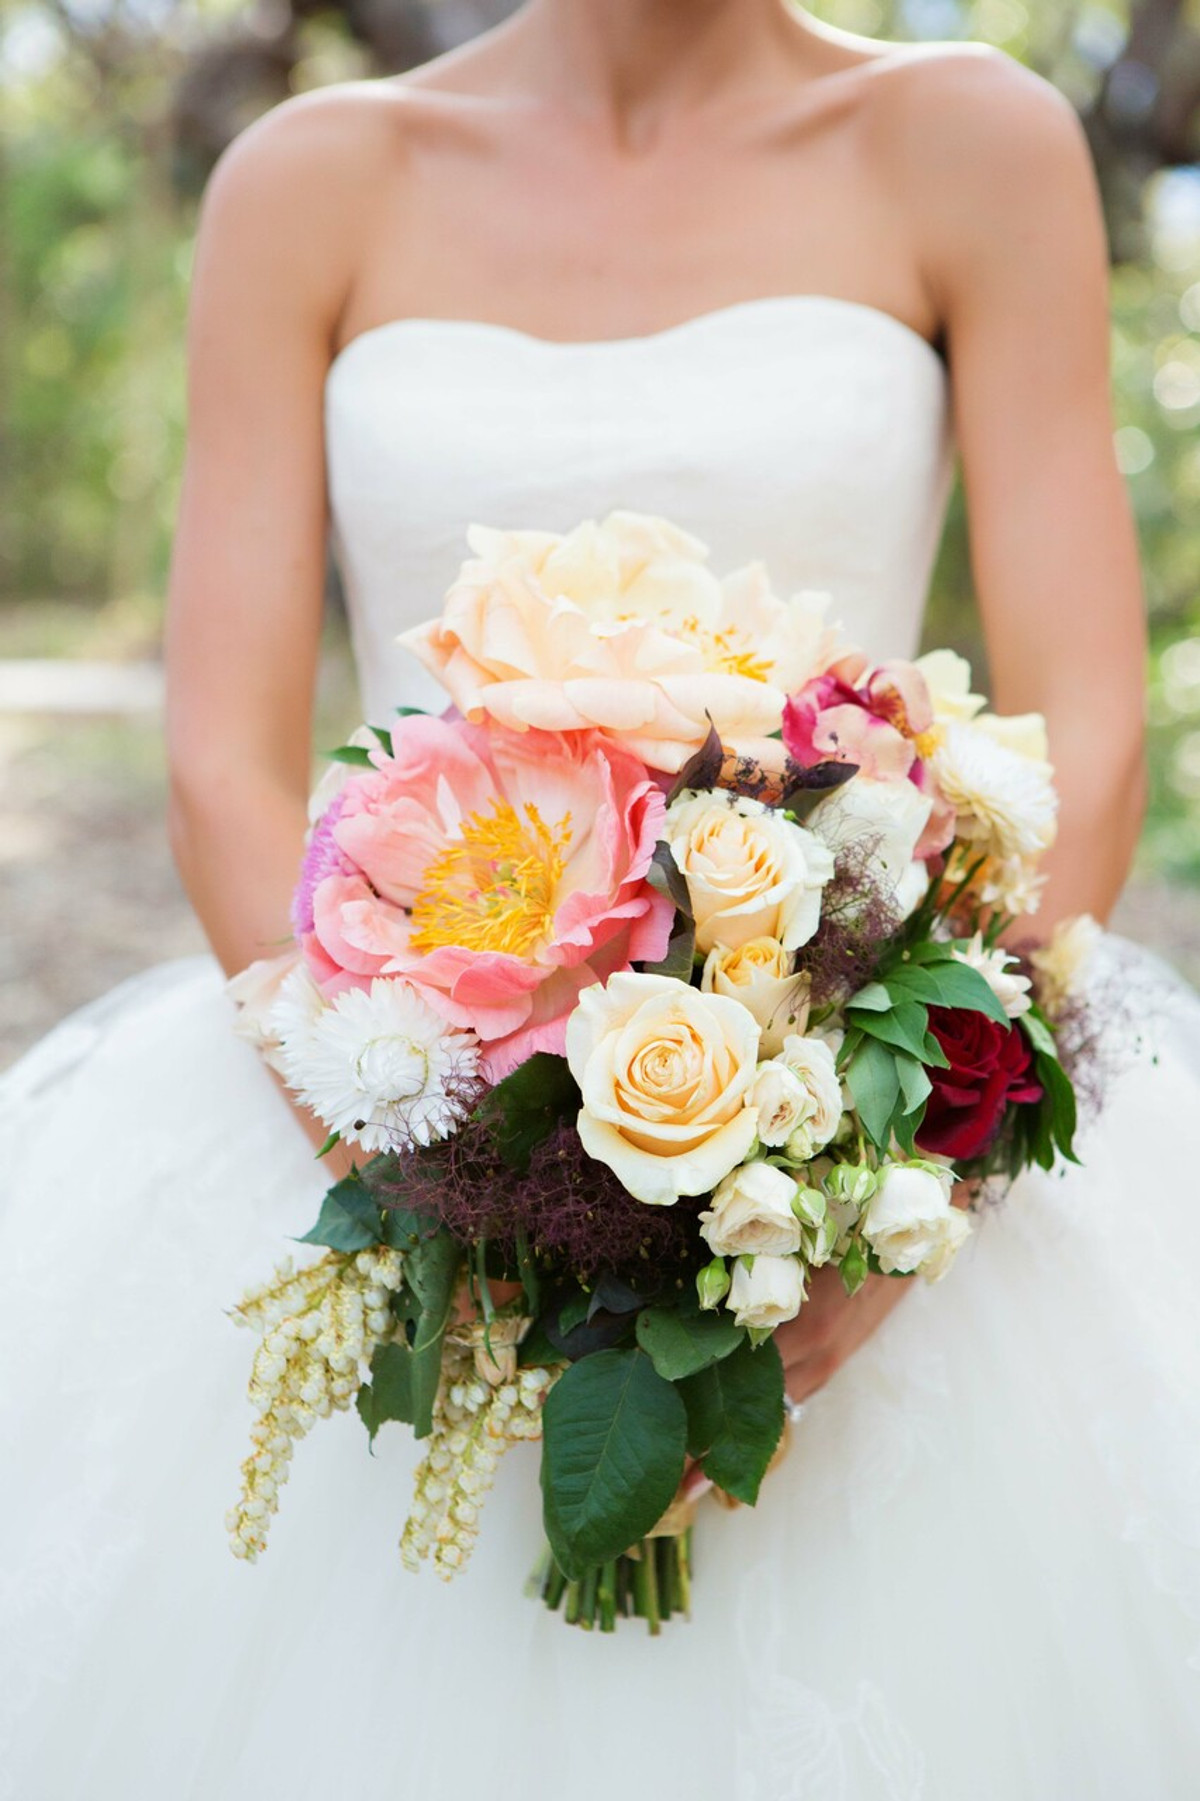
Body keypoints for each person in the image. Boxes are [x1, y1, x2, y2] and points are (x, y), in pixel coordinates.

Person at [2, 2, 1198, 1794]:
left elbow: (1085, 739)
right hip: (383, 1079)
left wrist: (869, 1207)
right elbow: (225, 767)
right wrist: (451, 1183)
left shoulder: (976, 139)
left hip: (848, 1076)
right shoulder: (310, 182)